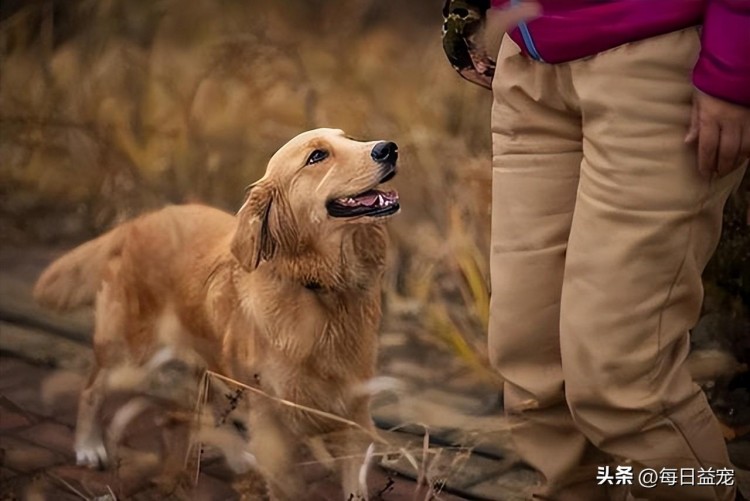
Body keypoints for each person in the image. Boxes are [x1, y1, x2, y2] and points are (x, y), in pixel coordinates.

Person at [442, 1, 749, 500]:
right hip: (529, 62)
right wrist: (467, 11)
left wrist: (735, 63)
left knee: (622, 380)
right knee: (532, 365)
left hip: (662, 64)